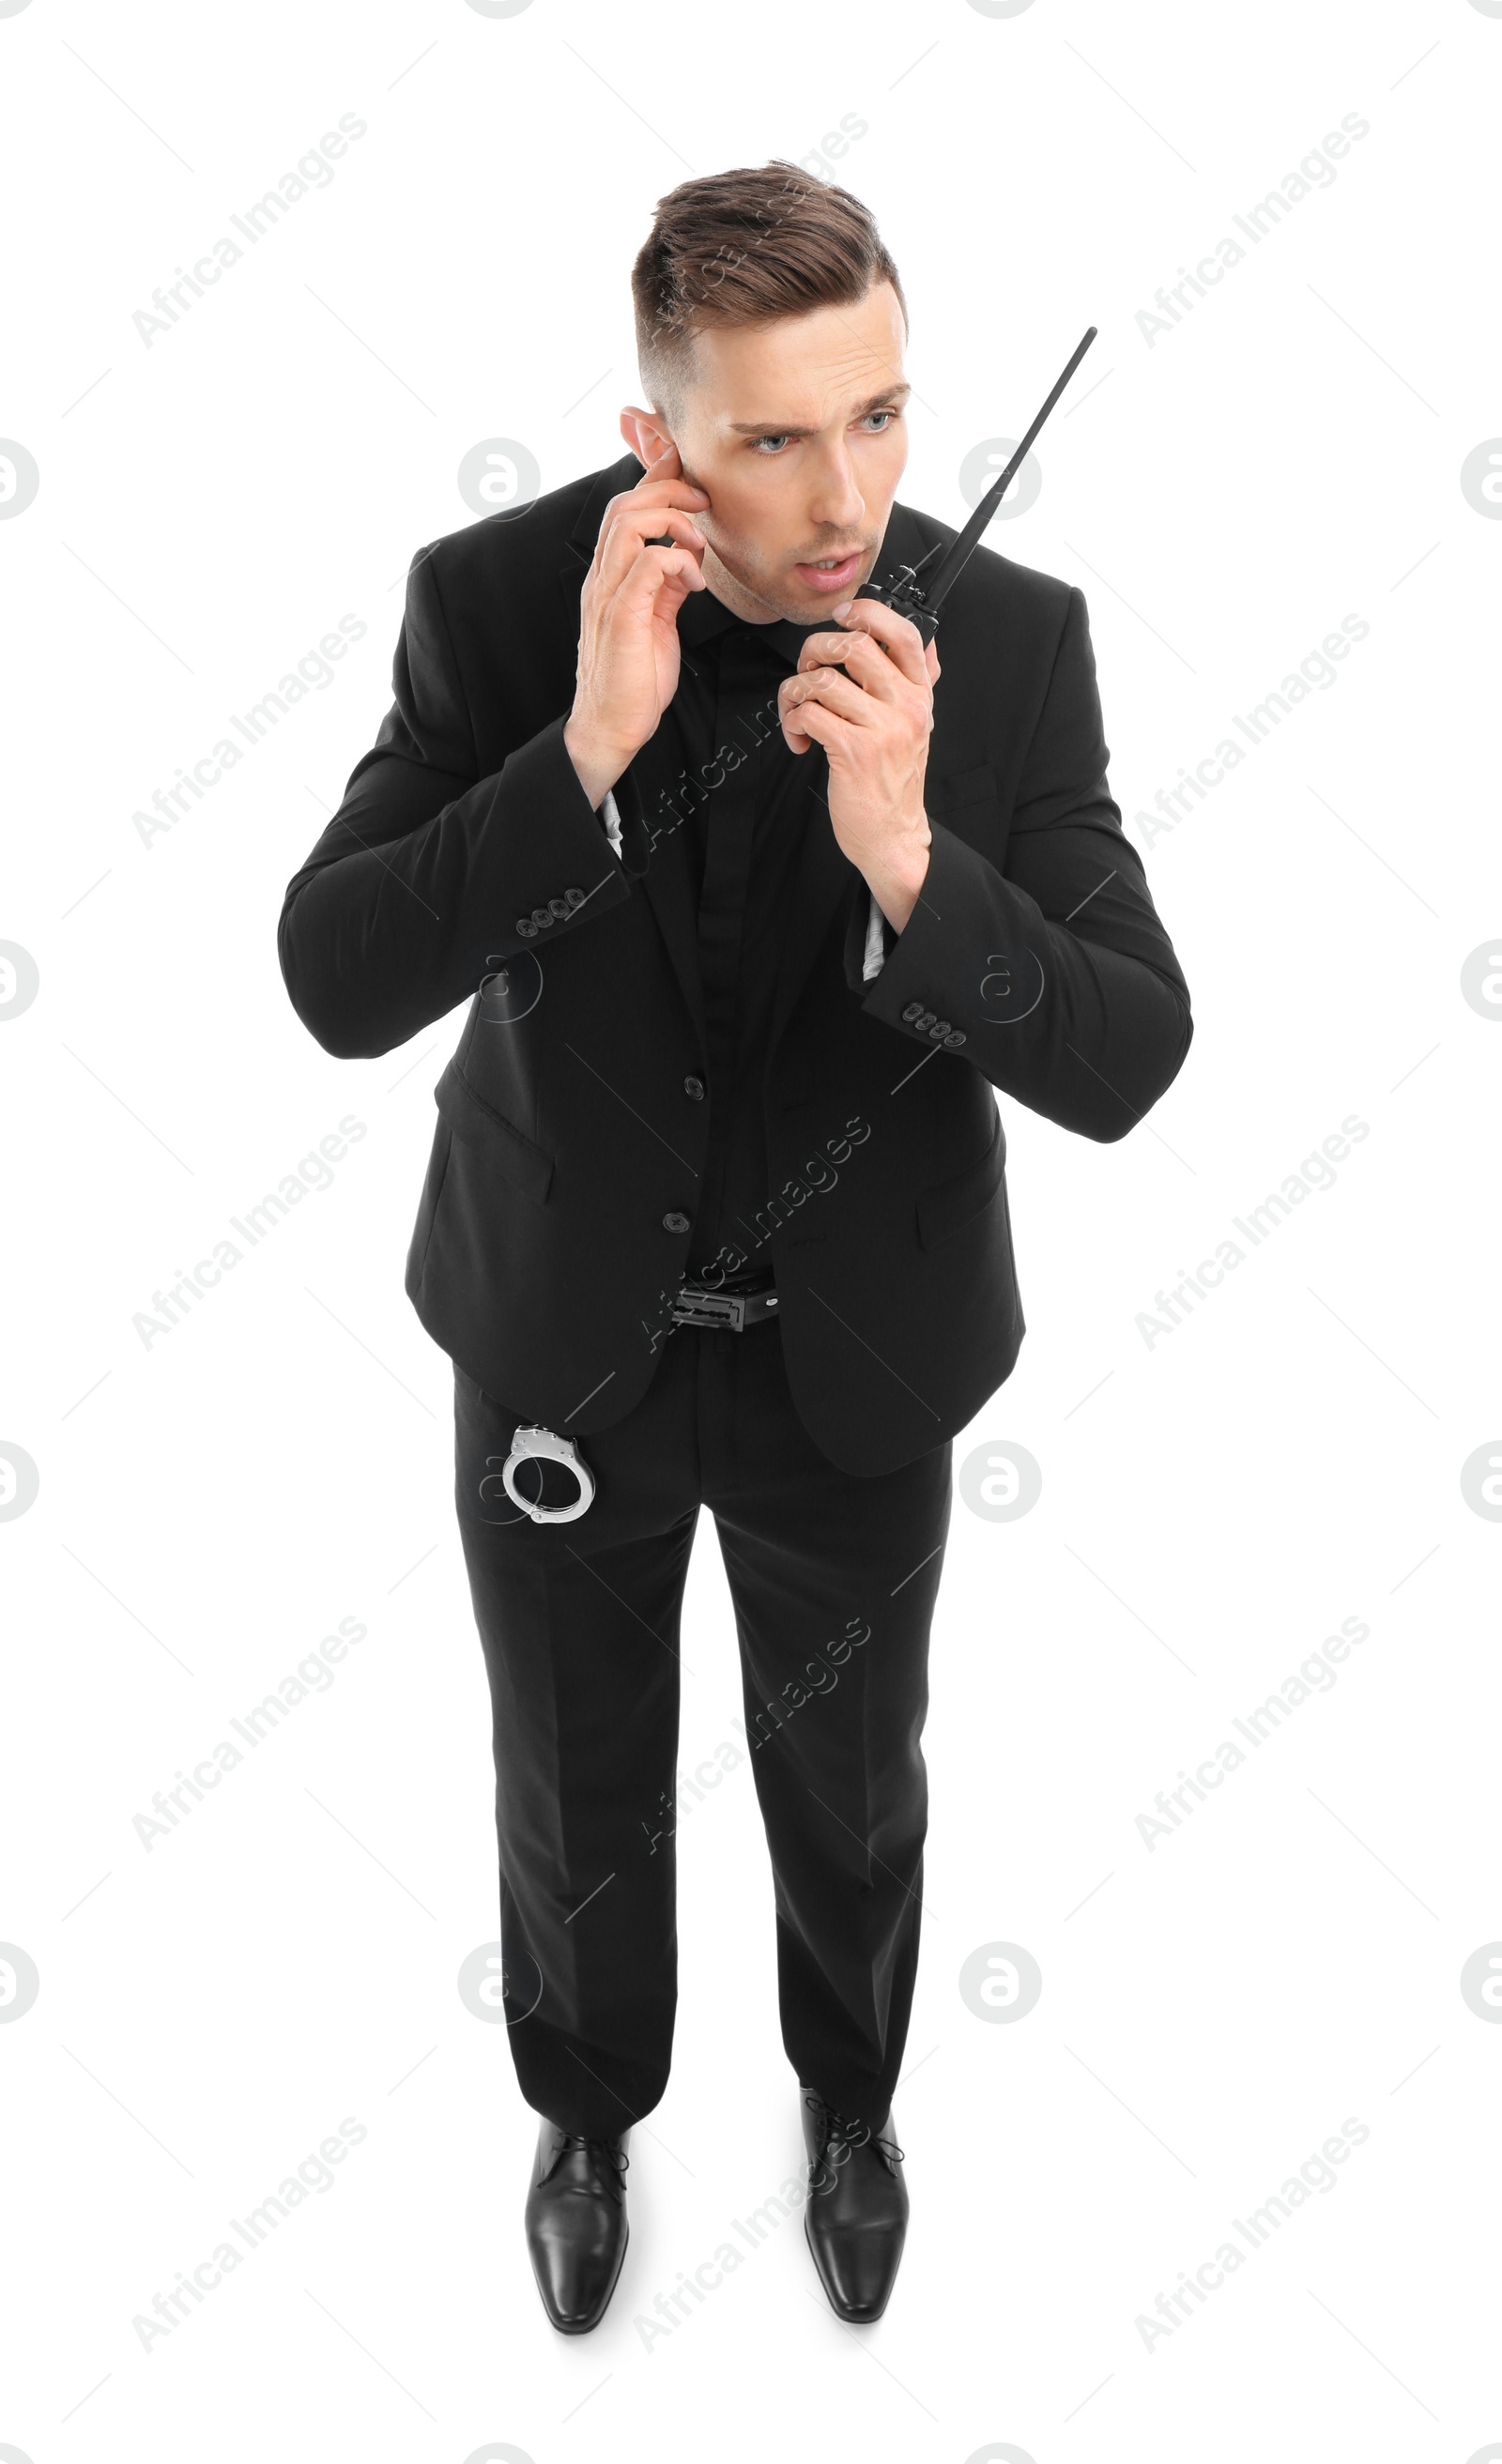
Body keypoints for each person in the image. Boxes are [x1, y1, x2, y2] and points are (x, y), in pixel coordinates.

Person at [277, 161, 1193, 2335]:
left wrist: (908, 859)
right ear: (655, 447)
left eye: (878, 415)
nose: (847, 491)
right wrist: (575, 751)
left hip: (849, 1358)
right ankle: (584, 2110)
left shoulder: (1012, 637)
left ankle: (852, 2102)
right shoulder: (497, 610)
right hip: (558, 1340)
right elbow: (332, 973)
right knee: (574, 1775)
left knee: (852, 1773)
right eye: (776, 438)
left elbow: (1126, 1048)